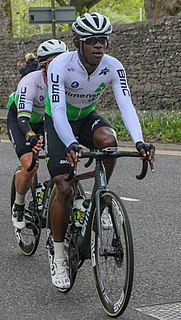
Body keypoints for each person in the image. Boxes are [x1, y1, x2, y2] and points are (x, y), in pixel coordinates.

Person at [45, 12, 155, 289]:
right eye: (92, 40)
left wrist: (140, 140)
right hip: (59, 121)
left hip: (86, 117)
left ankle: (100, 198)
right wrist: (70, 143)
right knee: (65, 187)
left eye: (103, 40)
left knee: (109, 141)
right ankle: (58, 255)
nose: (99, 46)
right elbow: (57, 110)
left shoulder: (113, 66)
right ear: (77, 43)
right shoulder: (61, 65)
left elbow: (125, 104)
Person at [7, 39, 68, 230]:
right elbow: (23, 118)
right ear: (42, 66)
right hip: (21, 120)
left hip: (45, 119)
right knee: (30, 165)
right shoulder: (30, 81)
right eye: (52, 63)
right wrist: (30, 135)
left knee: (63, 160)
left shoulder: (68, 82)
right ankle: (18, 205)